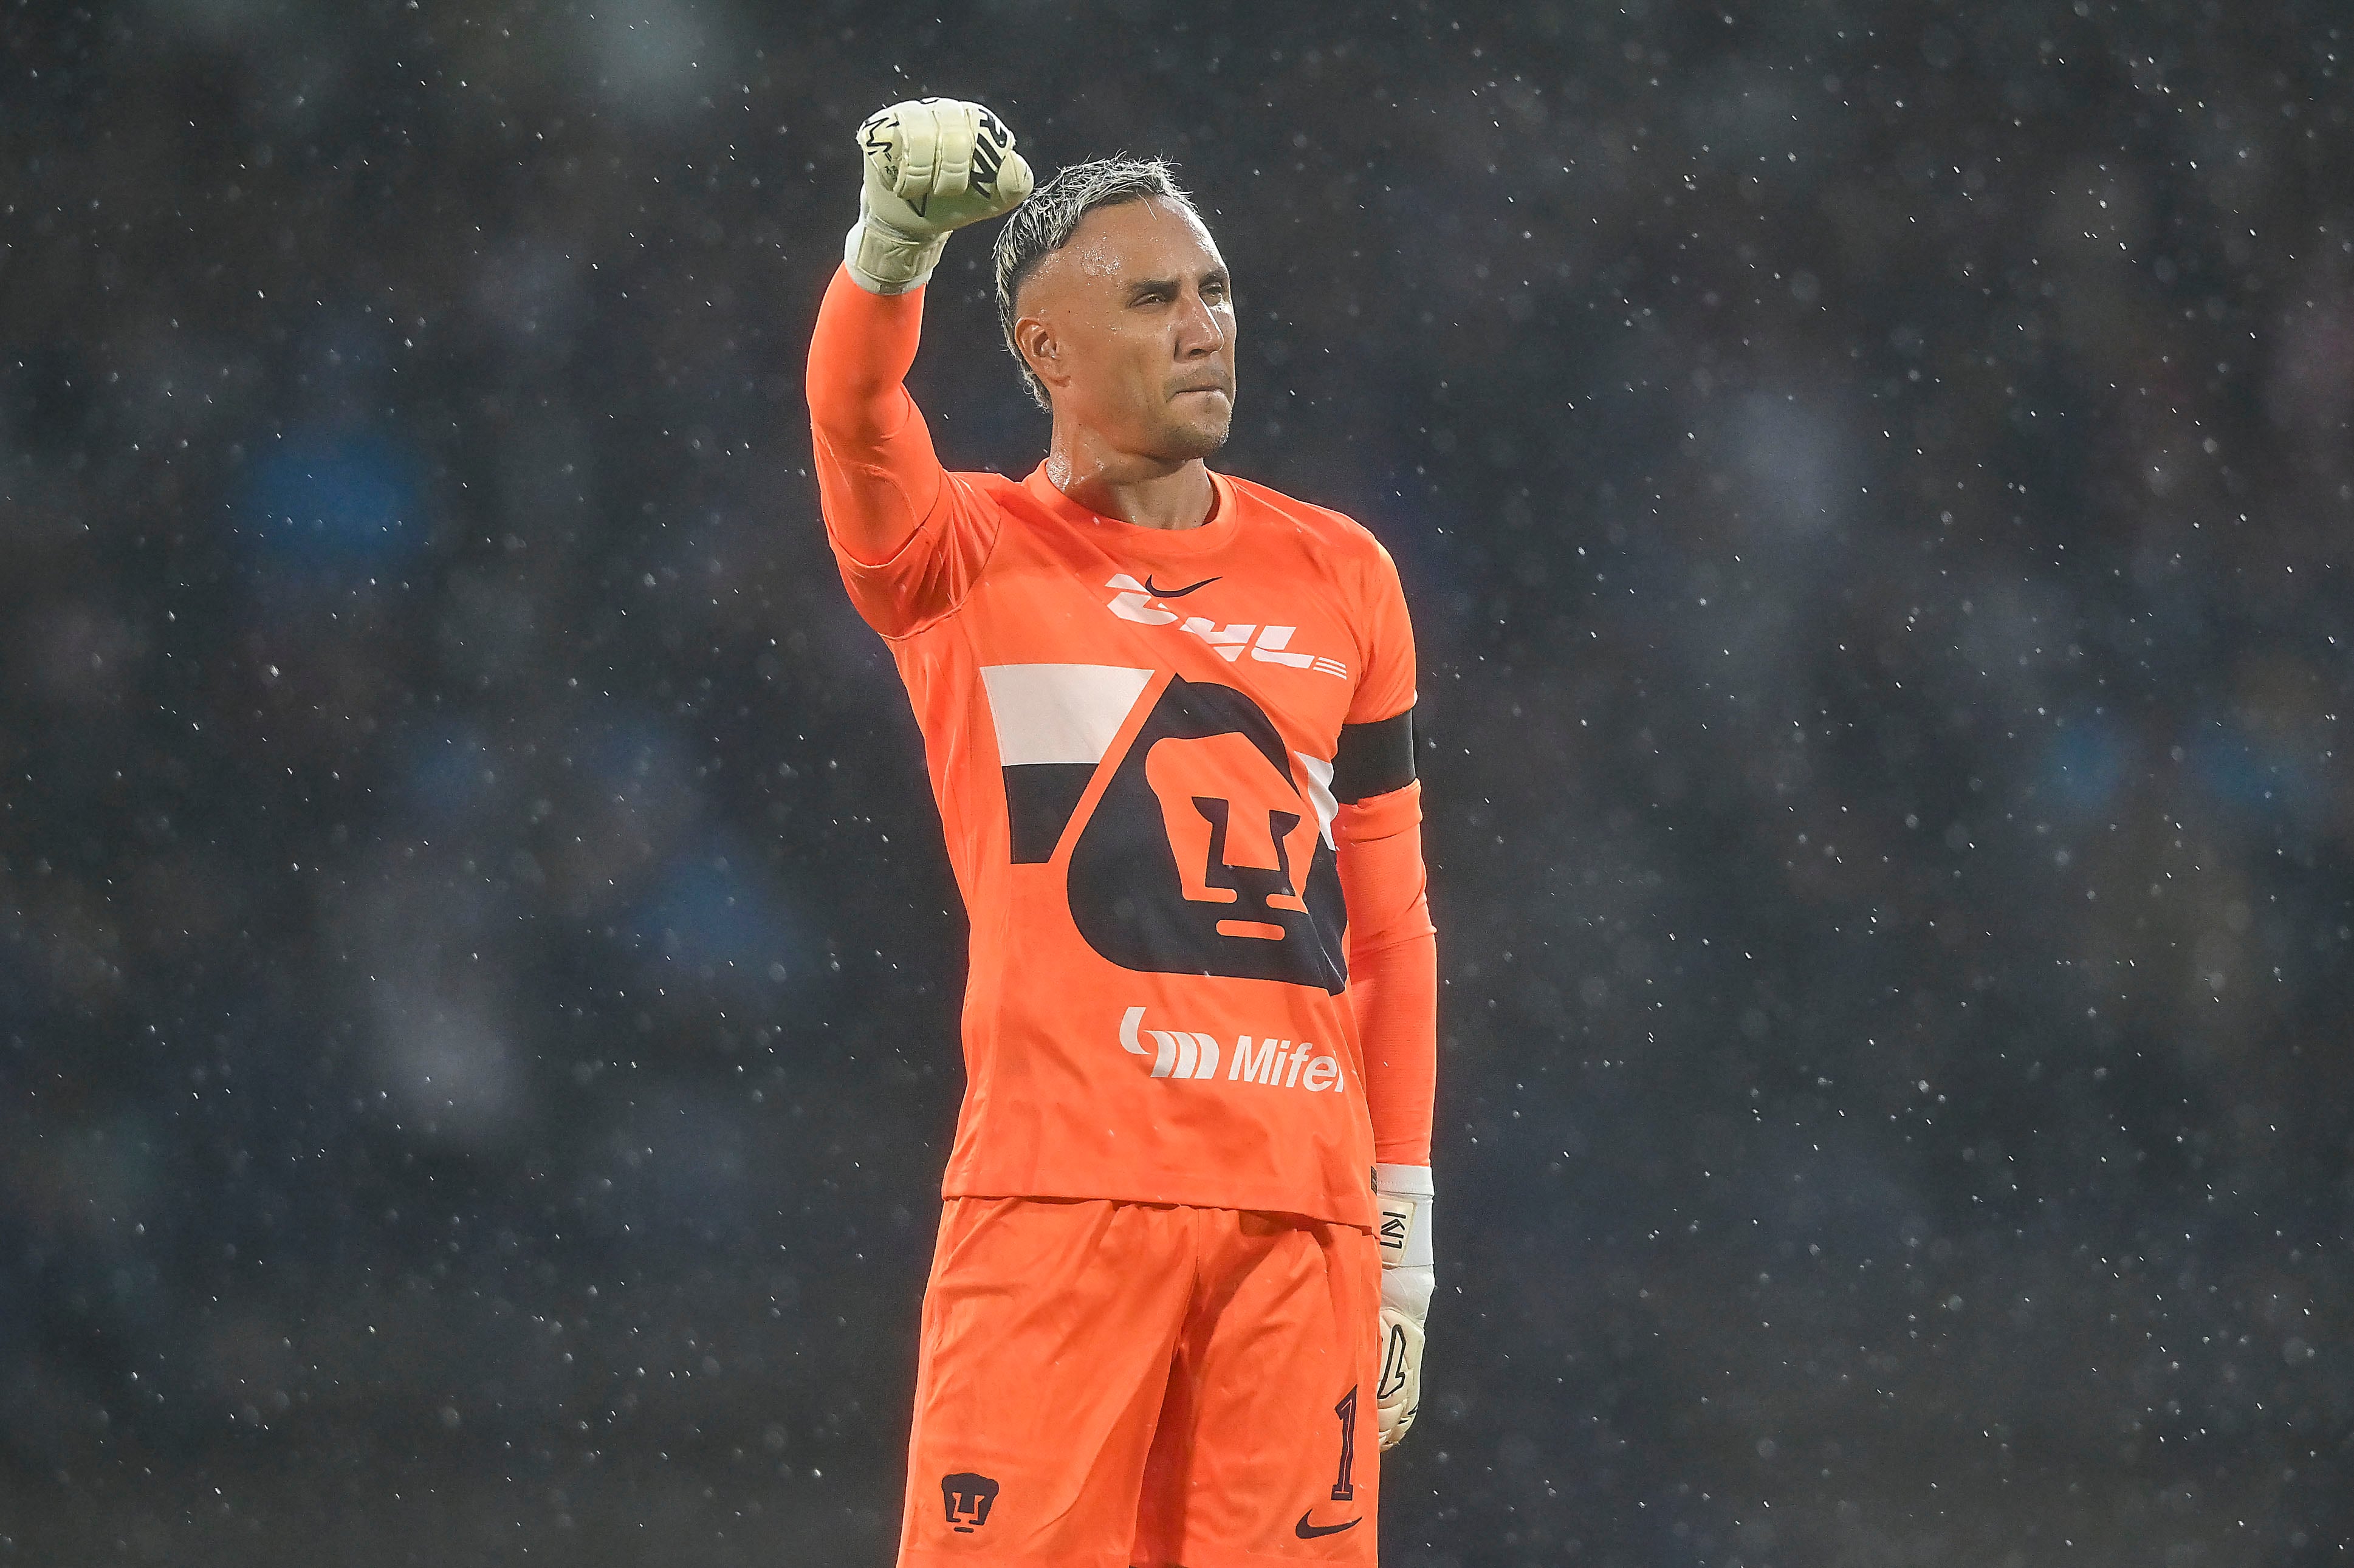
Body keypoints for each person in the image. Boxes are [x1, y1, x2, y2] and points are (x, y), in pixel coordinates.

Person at [805, 98, 1438, 1567]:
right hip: (1055, 1201)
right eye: (1153, 299)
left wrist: (1397, 1239)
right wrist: (889, 249)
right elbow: (853, 414)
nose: (1203, 324)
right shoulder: (959, 556)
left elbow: (1390, 924)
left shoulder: (1344, 577)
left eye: (1212, 288)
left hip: (1302, 1218)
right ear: (1048, 354)